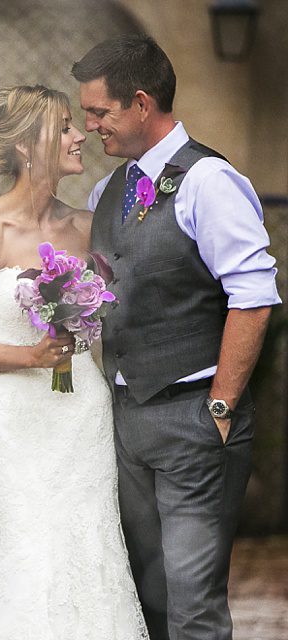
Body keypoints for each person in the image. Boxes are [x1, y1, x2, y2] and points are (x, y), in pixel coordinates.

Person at [70, 35, 281, 640]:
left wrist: (220, 406)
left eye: (99, 112)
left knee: (193, 607)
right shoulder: (106, 192)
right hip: (126, 422)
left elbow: (254, 296)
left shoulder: (209, 181)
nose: (90, 127)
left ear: (140, 104)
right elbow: (98, 297)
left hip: (195, 420)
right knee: (144, 600)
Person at [0, 84, 149, 639]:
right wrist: (23, 356)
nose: (81, 135)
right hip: (16, 421)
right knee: (24, 547)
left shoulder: (87, 226)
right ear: (29, 146)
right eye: (64, 127)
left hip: (81, 411)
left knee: (89, 545)